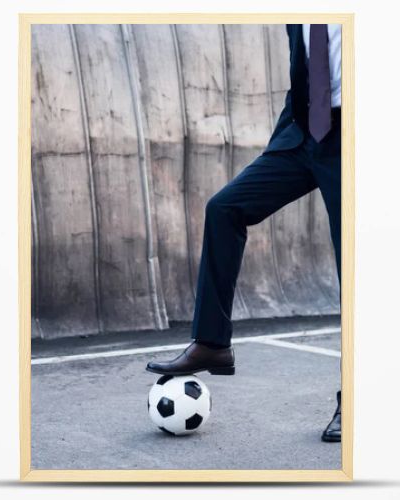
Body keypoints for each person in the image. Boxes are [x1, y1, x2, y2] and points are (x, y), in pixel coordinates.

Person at [146, 24, 342, 443]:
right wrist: (287, 136)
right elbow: (306, 70)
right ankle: (212, 343)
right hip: (303, 133)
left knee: (356, 262)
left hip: (351, 136)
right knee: (224, 208)